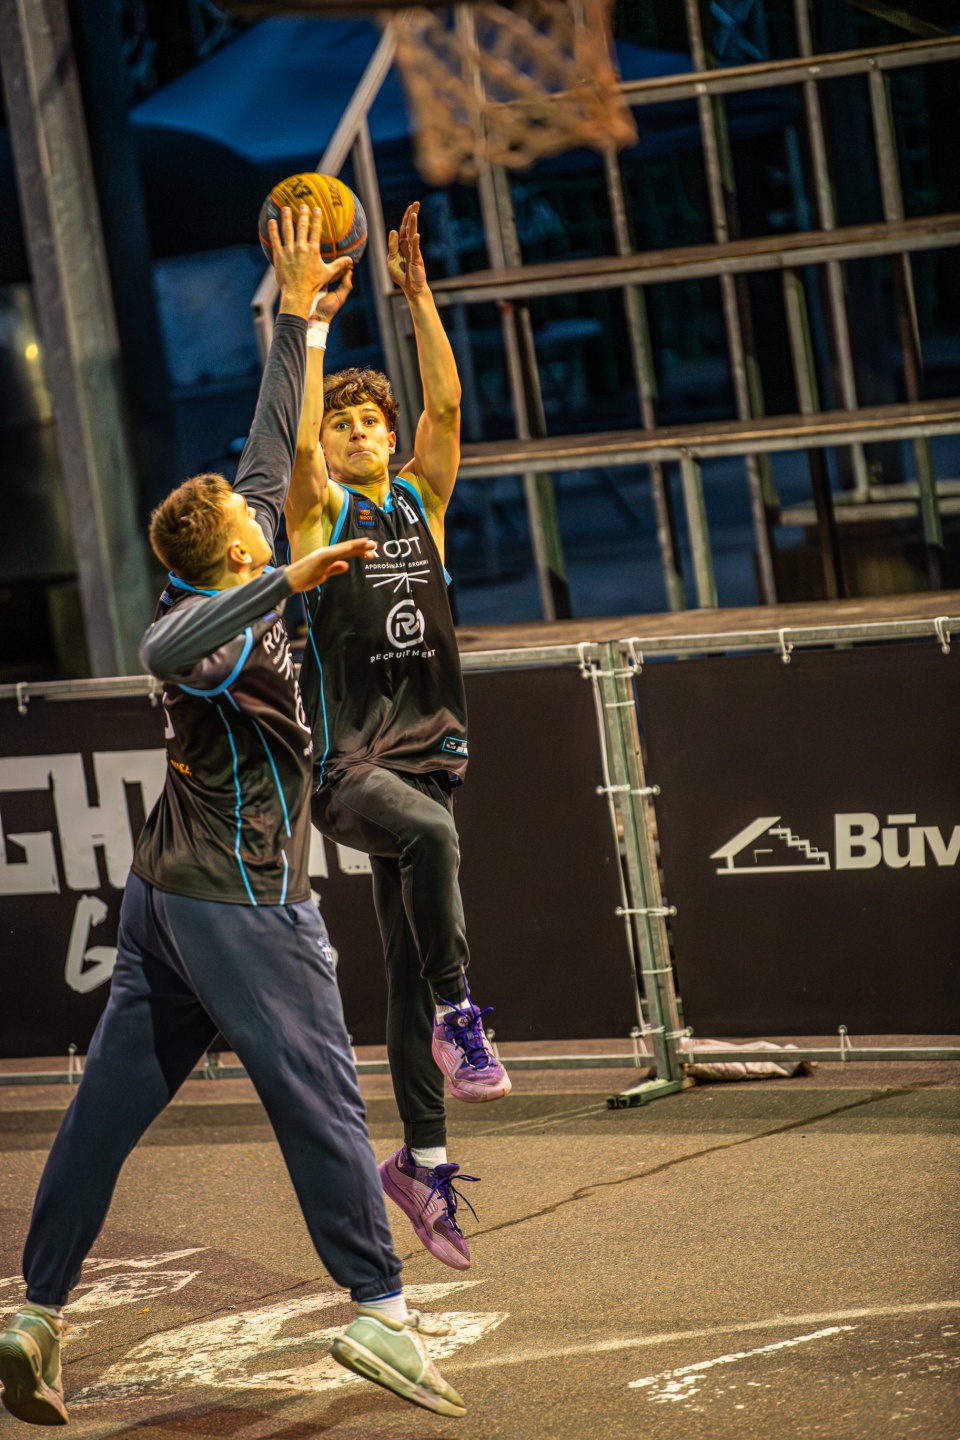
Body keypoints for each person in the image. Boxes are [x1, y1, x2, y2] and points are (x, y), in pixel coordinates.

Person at [0, 205, 464, 1426]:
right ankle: (382, 1310)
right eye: (253, 524)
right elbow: (165, 646)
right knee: (323, 1096)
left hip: (162, 901)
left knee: (104, 1112)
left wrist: (300, 318)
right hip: (244, 900)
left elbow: (268, 440)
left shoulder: (230, 549)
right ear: (234, 559)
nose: (265, 507)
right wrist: (284, 580)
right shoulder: (208, 638)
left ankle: (35, 1312)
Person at [283, 202, 509, 1276]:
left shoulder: (421, 498)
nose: (363, 433)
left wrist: (418, 296)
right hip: (353, 768)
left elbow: (449, 404)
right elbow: (294, 450)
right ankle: (466, 1013)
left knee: (405, 969)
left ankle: (422, 1161)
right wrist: (312, 329)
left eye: (373, 421)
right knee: (431, 842)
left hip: (426, 755)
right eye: (346, 426)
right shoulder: (322, 516)